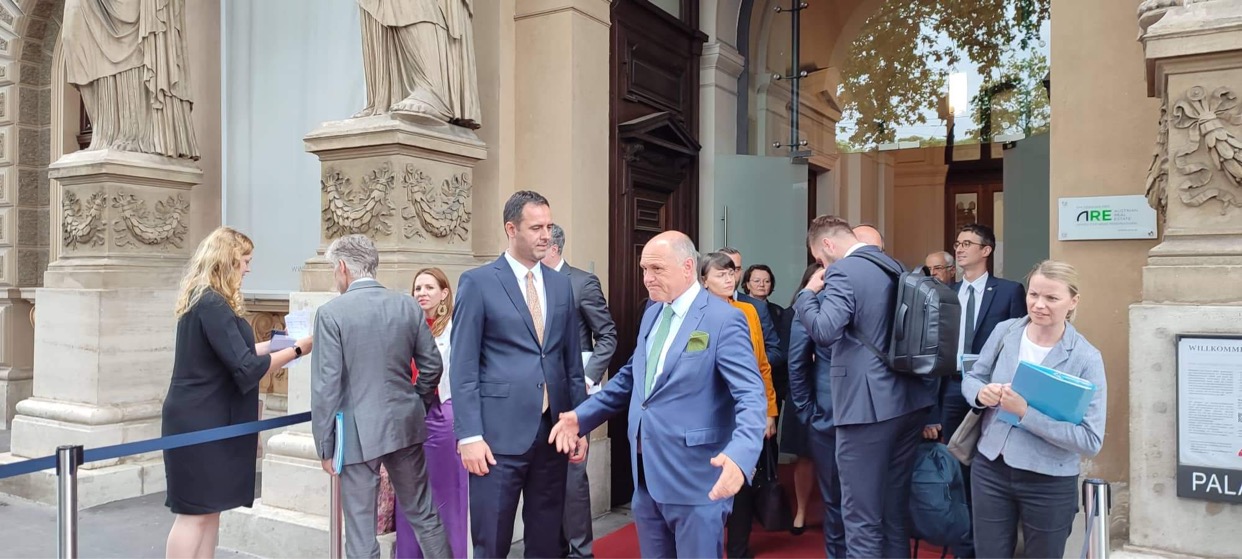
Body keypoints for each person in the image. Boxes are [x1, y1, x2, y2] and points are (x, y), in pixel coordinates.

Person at [549, 231, 767, 558]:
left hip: (697, 479)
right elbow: (633, 378)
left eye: (657, 269)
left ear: (688, 267)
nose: (647, 278)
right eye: (644, 269)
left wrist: (741, 455)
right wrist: (581, 417)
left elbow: (750, 395)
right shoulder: (653, 313)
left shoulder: (724, 319)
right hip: (646, 477)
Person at [451, 190, 588, 559]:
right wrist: (469, 436)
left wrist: (580, 423)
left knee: (547, 542)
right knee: (492, 541)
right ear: (511, 229)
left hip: (553, 433)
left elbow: (571, 363)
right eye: (536, 228)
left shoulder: (560, 284)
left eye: (549, 226)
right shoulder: (478, 282)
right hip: (496, 439)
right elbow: (463, 366)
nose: (546, 235)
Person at [163, 227, 312, 559]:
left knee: (210, 509)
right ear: (227, 261)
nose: (248, 268)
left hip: (208, 416)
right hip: (201, 420)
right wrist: (298, 350)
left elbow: (237, 354)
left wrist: (278, 345)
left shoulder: (206, 300)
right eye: (245, 261)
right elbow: (245, 367)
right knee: (194, 512)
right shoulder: (211, 303)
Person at [794, 215, 937, 558]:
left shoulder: (845, 270)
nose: (822, 265)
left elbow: (825, 330)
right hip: (908, 401)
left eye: (819, 258)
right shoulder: (894, 265)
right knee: (892, 512)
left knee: (860, 517)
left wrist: (807, 295)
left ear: (827, 244)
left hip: (867, 407)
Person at [311, 234, 452, 559]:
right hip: (404, 424)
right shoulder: (406, 305)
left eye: (334, 269)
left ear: (343, 267)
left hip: (356, 432)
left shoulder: (331, 313)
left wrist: (325, 446)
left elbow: (325, 387)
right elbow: (432, 365)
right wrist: (416, 403)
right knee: (424, 514)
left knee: (361, 532)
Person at [961, 260, 1107, 558]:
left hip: (1048, 479)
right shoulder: (1006, 331)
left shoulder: (1085, 358)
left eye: (1051, 298)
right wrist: (980, 393)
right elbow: (974, 376)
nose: (1039, 305)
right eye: (1033, 294)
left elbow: (1090, 440)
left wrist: (1025, 413)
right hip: (991, 468)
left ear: (1073, 301)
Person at [931, 224, 1027, 557]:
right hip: (952, 386)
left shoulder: (1009, 291)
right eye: (957, 243)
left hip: (992, 390)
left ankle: (994, 540)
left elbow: (1018, 344)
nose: (959, 249)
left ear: (986, 250)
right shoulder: (946, 292)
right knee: (955, 463)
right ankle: (964, 545)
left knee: (988, 462)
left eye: (968, 243)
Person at [541, 223, 618, 558]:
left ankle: (581, 551)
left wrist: (587, 377)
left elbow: (607, 335)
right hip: (537, 393)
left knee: (573, 475)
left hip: (574, 392)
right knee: (544, 478)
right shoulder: (528, 283)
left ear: (554, 248)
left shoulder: (581, 283)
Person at [700, 252, 777, 559]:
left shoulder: (748, 311)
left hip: (743, 412)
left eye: (732, 273)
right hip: (707, 412)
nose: (729, 279)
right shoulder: (695, 312)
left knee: (742, 481)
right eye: (721, 274)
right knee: (707, 483)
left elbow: (762, 365)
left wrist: (768, 411)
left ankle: (738, 551)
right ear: (704, 281)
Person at [394, 268, 469, 558]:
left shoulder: (455, 327)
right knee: (410, 493)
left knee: (447, 493)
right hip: (410, 417)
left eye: (429, 287)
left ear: (444, 293)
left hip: (443, 414)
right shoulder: (406, 325)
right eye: (417, 288)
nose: (422, 293)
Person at [781, 264, 827, 541]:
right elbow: (791, 355)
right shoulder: (793, 312)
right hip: (803, 390)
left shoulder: (837, 308)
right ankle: (800, 512)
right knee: (804, 456)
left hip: (832, 392)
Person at [719, 247, 784, 369]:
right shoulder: (700, 305)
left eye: (736, 269)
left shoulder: (757, 307)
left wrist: (751, 362)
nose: (730, 276)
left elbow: (775, 351)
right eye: (725, 269)